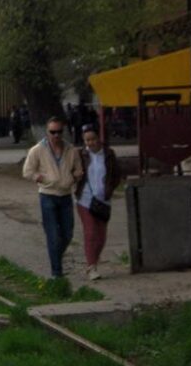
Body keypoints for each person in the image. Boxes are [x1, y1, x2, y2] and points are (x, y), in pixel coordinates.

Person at [22, 116, 84, 278]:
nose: (56, 135)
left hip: (65, 196)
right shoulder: (37, 150)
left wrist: (76, 176)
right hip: (47, 196)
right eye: (52, 132)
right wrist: (39, 177)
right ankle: (57, 273)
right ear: (47, 132)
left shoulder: (71, 150)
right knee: (53, 235)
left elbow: (78, 169)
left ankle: (56, 256)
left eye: (59, 132)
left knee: (67, 234)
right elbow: (27, 171)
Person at [75, 124, 122, 281]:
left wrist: (109, 189)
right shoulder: (80, 155)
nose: (90, 143)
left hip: (103, 200)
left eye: (93, 139)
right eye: (87, 140)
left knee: (101, 236)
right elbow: (73, 172)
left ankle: (94, 259)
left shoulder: (108, 154)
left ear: (99, 138)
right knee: (90, 232)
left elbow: (116, 175)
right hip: (85, 199)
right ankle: (91, 267)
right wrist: (77, 175)